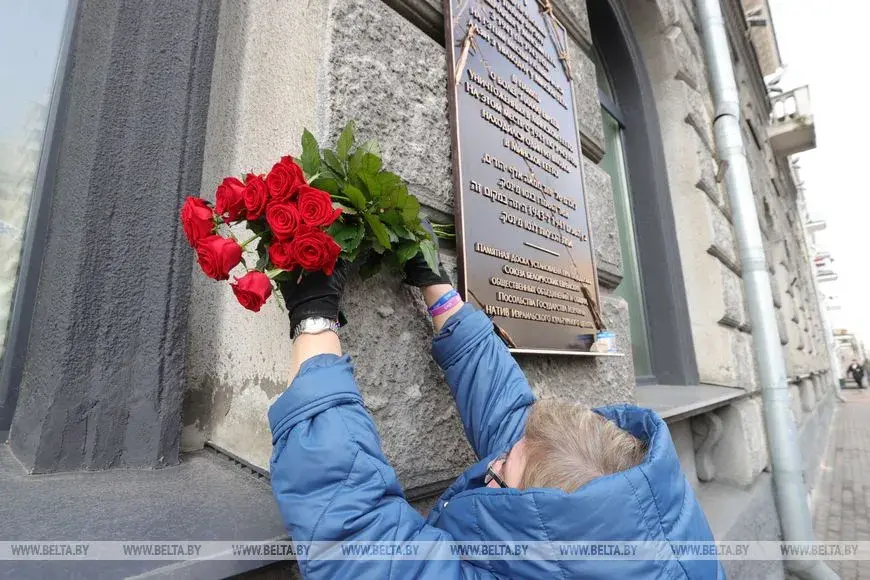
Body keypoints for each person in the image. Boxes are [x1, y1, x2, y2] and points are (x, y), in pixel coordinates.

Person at [268, 230, 723, 579]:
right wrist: (438, 289)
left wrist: (314, 320)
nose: (496, 460)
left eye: (501, 472)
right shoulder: (620, 505)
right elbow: (513, 425)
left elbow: (359, 538)